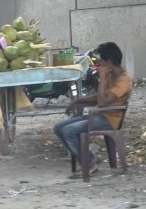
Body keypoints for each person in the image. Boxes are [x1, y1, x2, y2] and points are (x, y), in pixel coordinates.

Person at [53, 42, 132, 177]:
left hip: (110, 120)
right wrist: (78, 101)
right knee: (59, 128)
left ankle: (89, 164)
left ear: (109, 62)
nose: (99, 64)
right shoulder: (111, 75)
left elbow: (102, 102)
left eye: (101, 61)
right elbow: (99, 97)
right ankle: (89, 159)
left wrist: (102, 79)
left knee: (68, 131)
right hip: (100, 115)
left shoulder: (124, 80)